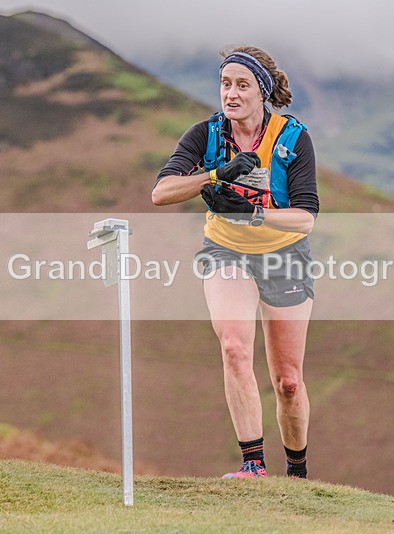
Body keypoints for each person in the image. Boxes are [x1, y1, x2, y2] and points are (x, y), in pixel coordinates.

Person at [153, 46, 318, 479]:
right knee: (234, 348)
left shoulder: (293, 138)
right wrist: (214, 175)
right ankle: (253, 466)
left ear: (261, 93)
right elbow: (161, 191)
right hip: (226, 251)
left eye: (242, 85)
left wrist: (253, 214)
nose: (231, 94)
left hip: (285, 255)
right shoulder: (205, 134)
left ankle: (297, 474)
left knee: (287, 381)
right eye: (225, 84)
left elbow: (306, 218)